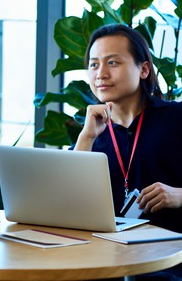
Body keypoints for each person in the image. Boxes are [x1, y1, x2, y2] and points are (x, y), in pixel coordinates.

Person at [74, 24, 182, 278]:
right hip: (103, 261)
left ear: (144, 69)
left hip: (168, 262)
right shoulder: (92, 132)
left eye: (112, 63)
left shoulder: (176, 118)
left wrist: (179, 195)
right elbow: (65, 202)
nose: (100, 74)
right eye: (93, 64)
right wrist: (86, 137)